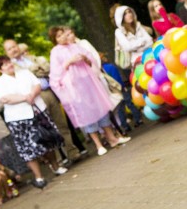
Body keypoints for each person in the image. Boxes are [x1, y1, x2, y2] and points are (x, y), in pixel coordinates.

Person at [48, 26, 131, 156]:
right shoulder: (55, 52)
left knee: (101, 110)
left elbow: (90, 60)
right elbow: (56, 73)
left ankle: (112, 138)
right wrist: (69, 62)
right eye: (58, 36)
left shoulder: (75, 46)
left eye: (62, 34)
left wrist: (85, 59)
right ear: (55, 40)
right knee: (87, 115)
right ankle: (98, 144)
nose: (62, 37)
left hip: (89, 83)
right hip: (75, 88)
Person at [3, 39, 85, 164]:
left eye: (14, 46)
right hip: (35, 98)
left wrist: (37, 70)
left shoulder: (32, 58)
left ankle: (72, 152)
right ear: (6, 52)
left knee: (61, 124)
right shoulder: (12, 68)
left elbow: (48, 69)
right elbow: (29, 76)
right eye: (9, 49)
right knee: (47, 129)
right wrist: (37, 70)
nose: (13, 50)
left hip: (49, 92)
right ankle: (58, 160)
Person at [0, 56, 64, 189]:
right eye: (4, 64)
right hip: (17, 118)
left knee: (47, 140)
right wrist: (24, 98)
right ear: (0, 69)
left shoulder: (25, 73)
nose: (9, 65)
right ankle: (39, 177)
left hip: (37, 111)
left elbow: (37, 85)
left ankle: (56, 166)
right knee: (27, 148)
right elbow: (3, 98)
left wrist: (31, 95)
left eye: (9, 62)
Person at [101, 53, 143, 132]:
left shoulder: (101, 72)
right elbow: (117, 78)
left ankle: (125, 126)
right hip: (120, 88)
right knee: (130, 104)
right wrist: (122, 87)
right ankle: (138, 119)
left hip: (112, 92)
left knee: (120, 109)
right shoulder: (110, 67)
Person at [114, 5, 154, 71]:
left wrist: (136, 48)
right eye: (125, 14)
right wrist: (142, 42)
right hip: (137, 62)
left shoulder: (138, 25)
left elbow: (150, 41)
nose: (129, 15)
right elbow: (128, 47)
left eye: (129, 12)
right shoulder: (119, 32)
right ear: (121, 17)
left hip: (150, 55)